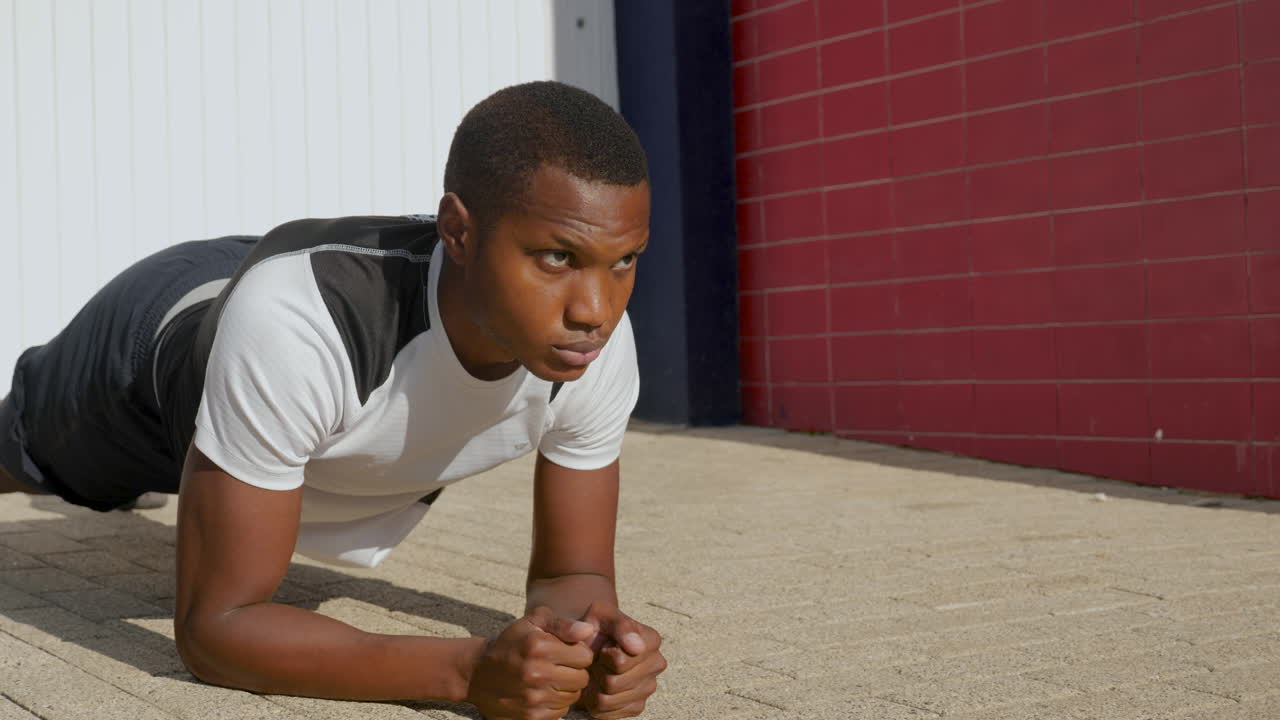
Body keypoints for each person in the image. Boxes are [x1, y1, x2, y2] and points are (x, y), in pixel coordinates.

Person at [0, 81, 665, 720]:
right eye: (557, 258)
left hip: (279, 321)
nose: (596, 310)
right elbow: (217, 630)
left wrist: (591, 643)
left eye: (625, 260)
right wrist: (468, 672)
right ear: (459, 232)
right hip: (154, 350)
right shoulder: (301, 324)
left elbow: (571, 575)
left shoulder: (591, 345)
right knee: (20, 464)